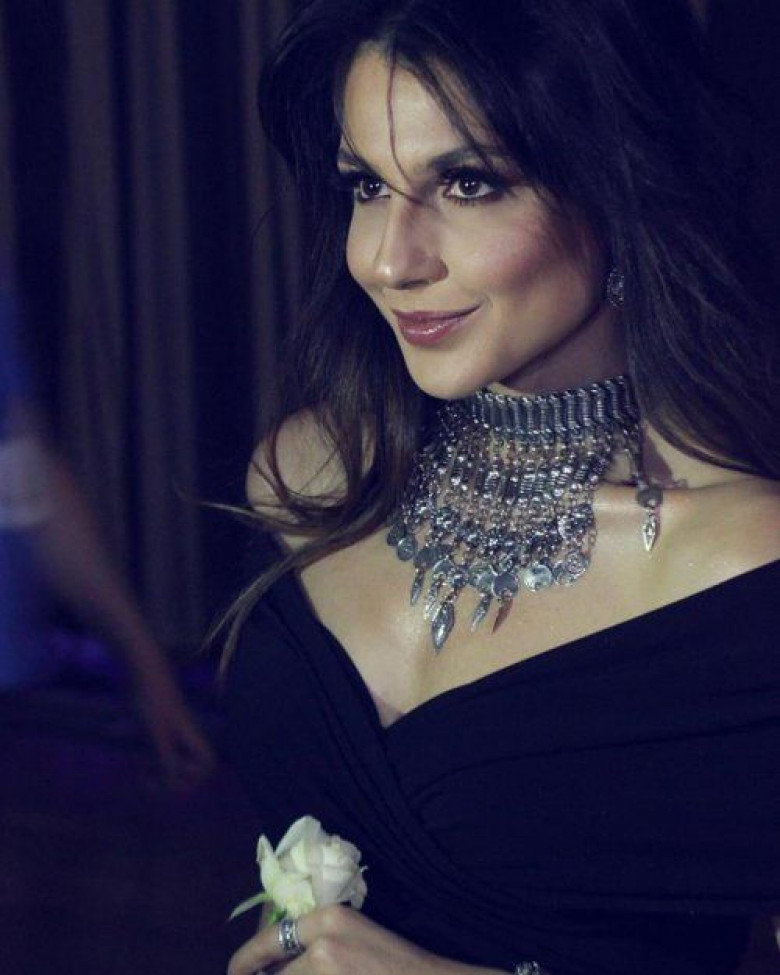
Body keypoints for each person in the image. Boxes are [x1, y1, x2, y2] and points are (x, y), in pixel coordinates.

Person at [223, 1, 780, 972]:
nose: (387, 259)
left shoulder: (743, 576)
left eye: (468, 183)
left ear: (618, 189)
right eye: (366, 185)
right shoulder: (309, 476)